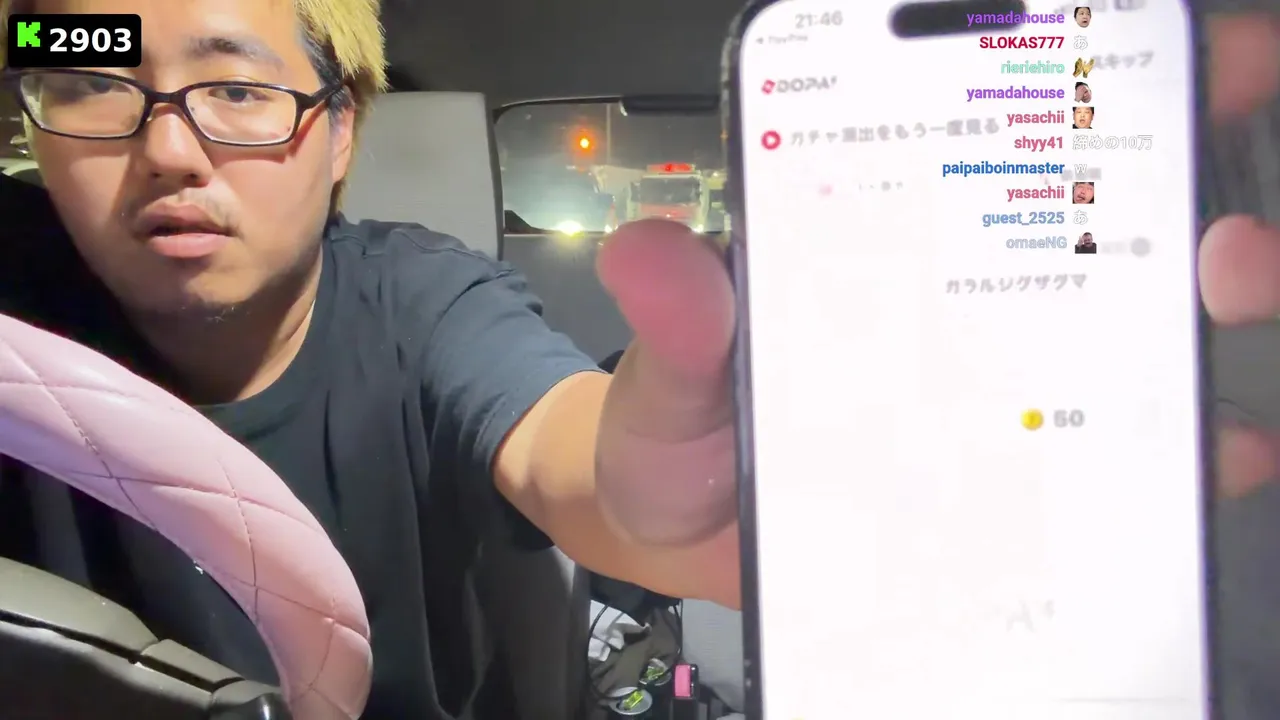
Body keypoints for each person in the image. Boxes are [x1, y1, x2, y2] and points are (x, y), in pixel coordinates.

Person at [0, 0, 1279, 718]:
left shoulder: (421, 299)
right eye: (93, 81)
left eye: (236, 90)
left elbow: (568, 445)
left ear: (341, 133)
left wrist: (661, 495)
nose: (166, 149)